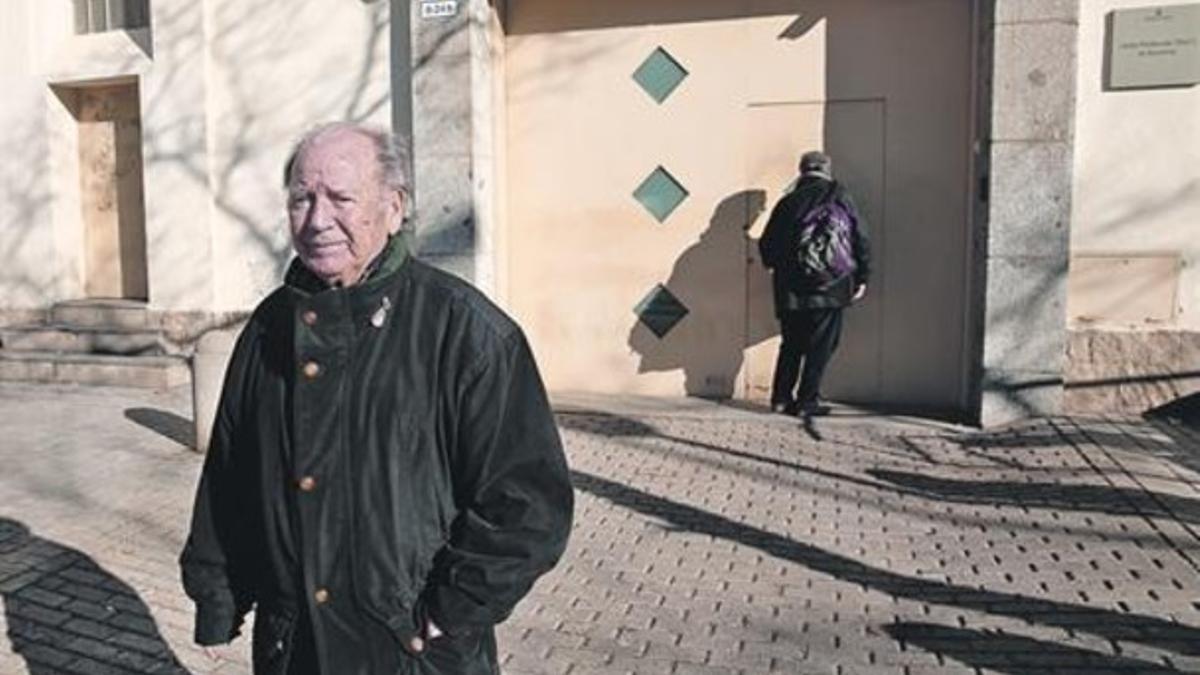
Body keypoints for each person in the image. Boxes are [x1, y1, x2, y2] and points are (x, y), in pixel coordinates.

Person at [180, 122, 574, 675]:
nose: (318, 220)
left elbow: (528, 507)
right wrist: (217, 592)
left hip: (412, 652)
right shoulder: (270, 328)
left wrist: (447, 611)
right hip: (293, 647)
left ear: (394, 208)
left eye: (341, 198)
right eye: (301, 199)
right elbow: (230, 474)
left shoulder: (467, 334)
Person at [758, 151, 870, 418]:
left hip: (791, 289)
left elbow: (767, 247)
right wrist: (862, 277)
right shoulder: (842, 197)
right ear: (827, 170)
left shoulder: (788, 203)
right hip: (831, 288)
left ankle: (780, 399)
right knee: (821, 346)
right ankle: (807, 401)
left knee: (791, 344)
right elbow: (861, 239)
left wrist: (781, 266)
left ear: (802, 171)